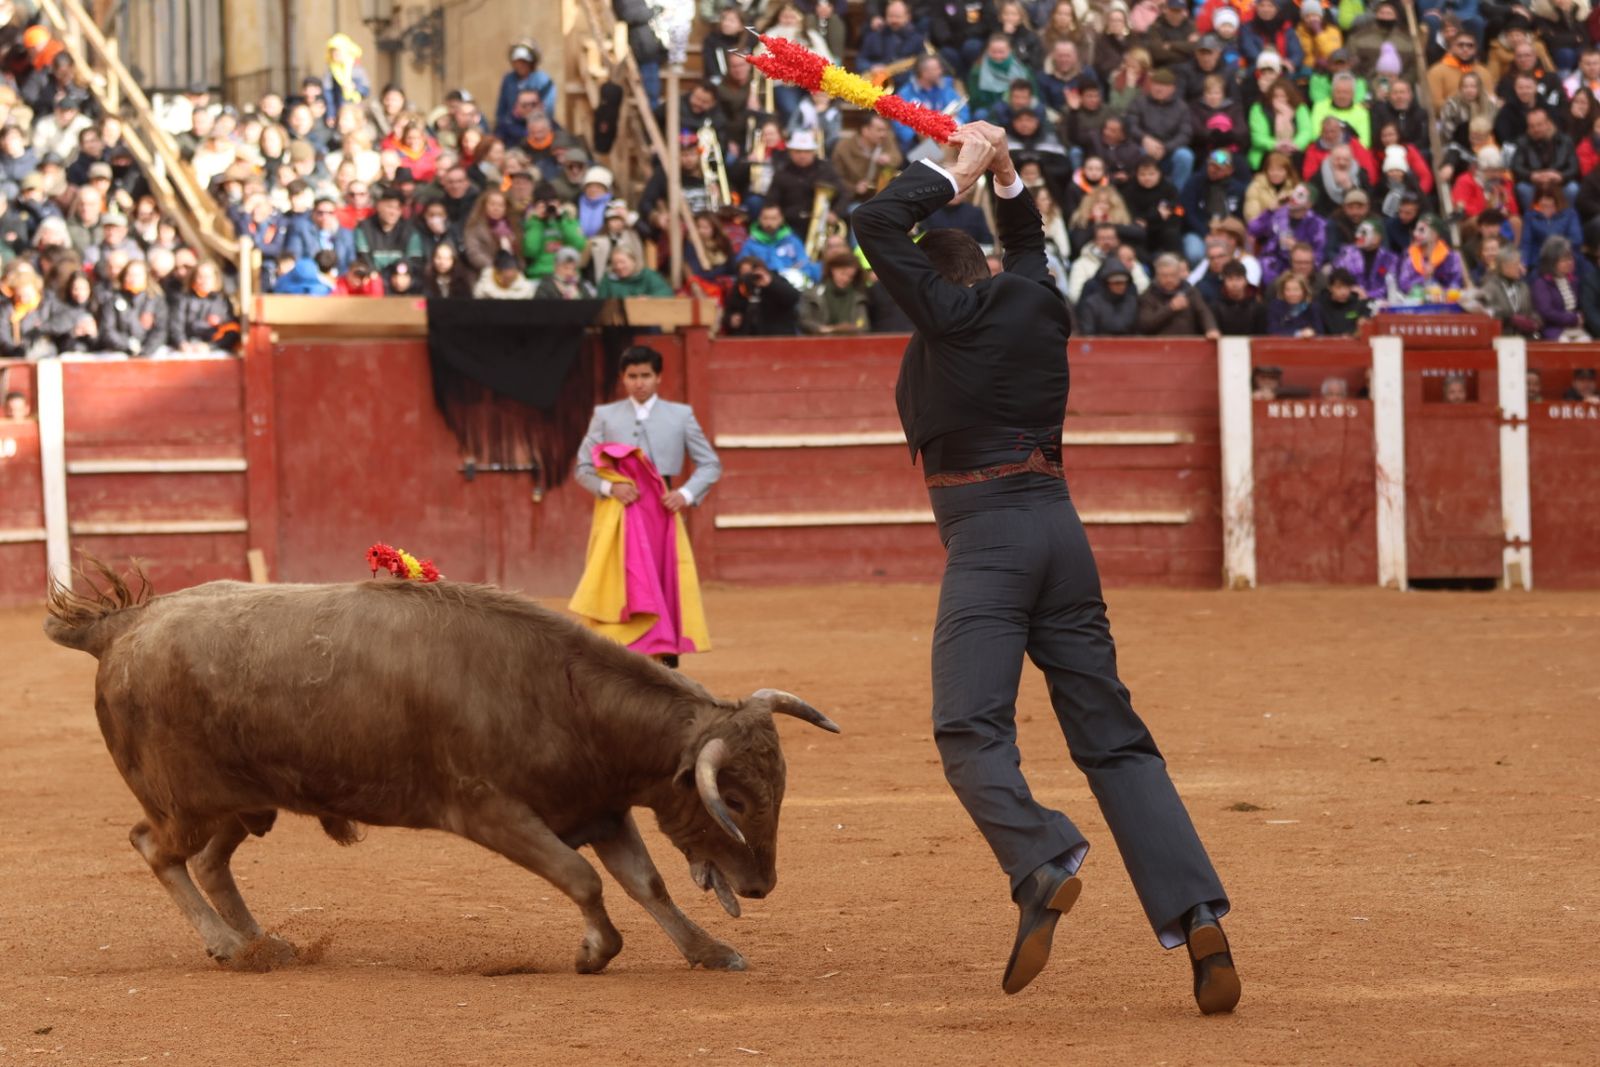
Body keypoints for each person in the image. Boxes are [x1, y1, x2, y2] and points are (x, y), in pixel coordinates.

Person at [851, 121, 1236, 1010]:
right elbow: (1023, 247)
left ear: (927, 291)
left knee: (969, 729)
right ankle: (1198, 912)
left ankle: (1042, 855)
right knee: (1114, 738)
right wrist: (1009, 177)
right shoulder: (1036, 302)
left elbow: (874, 223)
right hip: (1064, 532)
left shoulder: (943, 322)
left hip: (987, 537)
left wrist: (954, 171)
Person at [570, 345, 720, 668]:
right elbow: (582, 469)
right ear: (623, 379)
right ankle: (620, 656)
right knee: (621, 581)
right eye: (632, 376)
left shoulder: (681, 415)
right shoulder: (605, 415)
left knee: (664, 579)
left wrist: (685, 494)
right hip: (619, 511)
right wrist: (611, 487)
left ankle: (666, 658)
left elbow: (710, 464)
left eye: (646, 376)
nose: (639, 383)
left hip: (662, 512)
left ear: (658, 378)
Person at [723, 256, 801, 335]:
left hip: (775, 337)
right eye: (743, 275)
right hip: (748, 338)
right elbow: (730, 309)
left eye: (750, 274)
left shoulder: (775, 280)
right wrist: (731, 319)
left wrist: (771, 284)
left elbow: (793, 297)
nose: (747, 278)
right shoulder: (740, 287)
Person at [1476, 245, 1541, 338]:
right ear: (1504, 266)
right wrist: (1508, 318)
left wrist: (1535, 322)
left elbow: (1532, 311)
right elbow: (1482, 311)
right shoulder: (1490, 287)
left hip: (1524, 338)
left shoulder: (1524, 287)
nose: (1520, 267)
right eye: (1516, 264)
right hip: (1500, 338)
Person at [799, 251, 869, 334]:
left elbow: (863, 326)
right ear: (833, 270)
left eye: (850, 277)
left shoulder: (858, 298)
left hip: (850, 343)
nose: (846, 279)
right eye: (842, 273)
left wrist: (851, 328)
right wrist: (830, 329)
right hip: (819, 343)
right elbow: (804, 321)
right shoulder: (813, 294)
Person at [1208, 260, 1268, 335]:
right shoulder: (1215, 307)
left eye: (1238, 279)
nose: (1234, 284)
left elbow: (1261, 337)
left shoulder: (1258, 308)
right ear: (1224, 282)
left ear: (1245, 281)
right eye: (1230, 279)